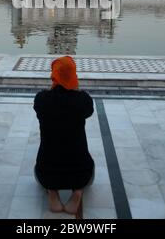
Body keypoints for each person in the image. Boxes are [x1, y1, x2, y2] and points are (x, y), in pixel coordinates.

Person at [33, 56, 94, 215]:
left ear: (54, 75)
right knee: (88, 166)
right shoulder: (83, 101)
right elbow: (88, 110)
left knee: (42, 167)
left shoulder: (42, 100)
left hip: (46, 173)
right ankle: (77, 193)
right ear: (74, 76)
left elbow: (42, 106)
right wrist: (74, 89)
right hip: (81, 174)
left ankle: (52, 192)